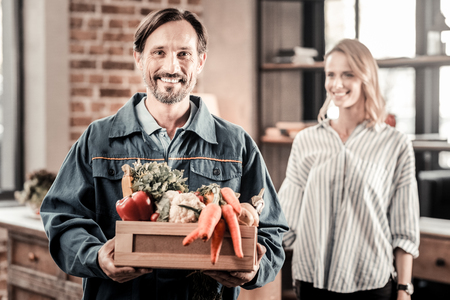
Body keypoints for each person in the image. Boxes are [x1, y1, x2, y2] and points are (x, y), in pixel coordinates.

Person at [40, 8, 288, 300]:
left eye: (184, 54)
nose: (172, 66)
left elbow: (271, 233)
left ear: (200, 62)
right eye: (159, 52)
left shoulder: (236, 145)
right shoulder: (98, 140)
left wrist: (254, 269)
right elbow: (62, 219)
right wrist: (95, 256)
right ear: (139, 58)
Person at [278, 39, 420, 300]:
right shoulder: (306, 141)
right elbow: (285, 216)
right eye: (330, 74)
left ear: (366, 78)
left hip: (371, 284)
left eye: (348, 74)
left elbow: (404, 228)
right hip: (312, 281)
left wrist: (404, 289)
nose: (337, 84)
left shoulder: (395, 144)